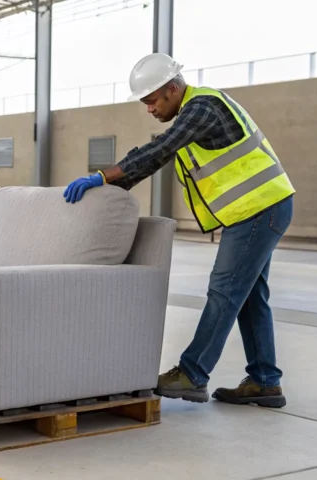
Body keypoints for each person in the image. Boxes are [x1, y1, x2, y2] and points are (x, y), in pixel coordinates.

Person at [63, 53, 296, 408]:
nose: (149, 109)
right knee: (248, 297)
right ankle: (265, 381)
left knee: (224, 290)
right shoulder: (193, 112)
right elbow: (156, 155)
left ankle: (193, 373)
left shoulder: (202, 108)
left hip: (259, 209)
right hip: (260, 209)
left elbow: (161, 149)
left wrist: (103, 175)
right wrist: (110, 188)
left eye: (153, 100)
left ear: (173, 89)